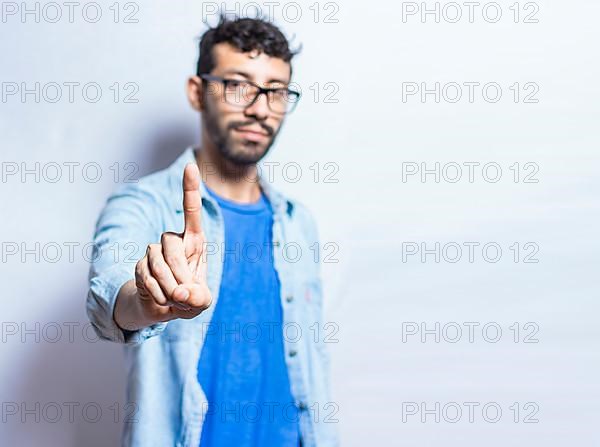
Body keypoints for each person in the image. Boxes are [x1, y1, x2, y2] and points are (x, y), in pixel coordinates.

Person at [86, 15, 338, 447]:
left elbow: (313, 373)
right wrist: (147, 300)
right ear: (197, 91)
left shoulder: (300, 223)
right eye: (239, 85)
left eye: (276, 91)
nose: (259, 108)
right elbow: (108, 298)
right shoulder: (141, 205)